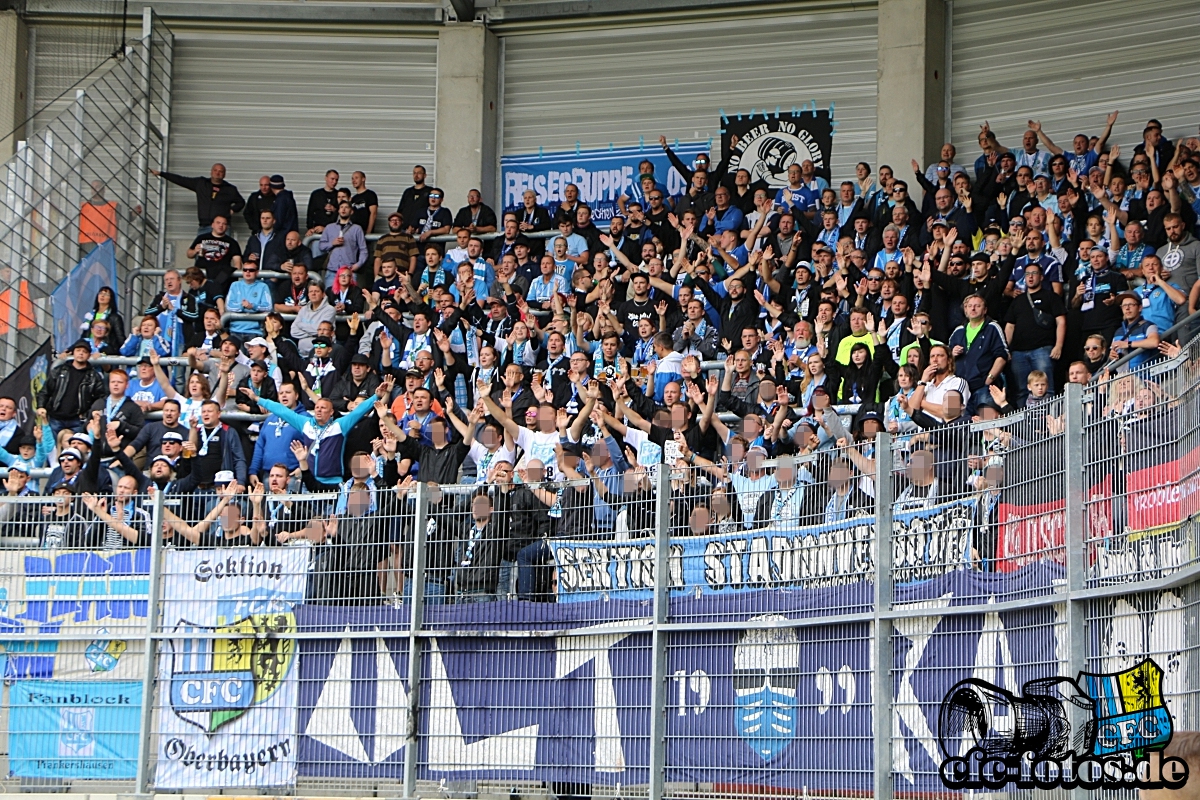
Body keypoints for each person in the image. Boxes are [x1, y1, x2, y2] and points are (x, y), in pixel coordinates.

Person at [245, 376, 392, 488]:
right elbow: (281, 410)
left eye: (323, 408)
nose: (318, 410)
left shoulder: (339, 425)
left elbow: (358, 411)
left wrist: (376, 396)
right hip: (309, 481)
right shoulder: (306, 424)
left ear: (331, 412)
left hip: (333, 482)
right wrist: (257, 399)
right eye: (317, 407)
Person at [1003, 263, 1067, 405]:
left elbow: (1061, 322)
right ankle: (1024, 424)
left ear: (1041, 277)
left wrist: (1058, 346)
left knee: (1045, 388)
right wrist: (1006, 349)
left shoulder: (1051, 296)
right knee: (1022, 390)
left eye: (1034, 273)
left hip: (1043, 349)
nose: (1030, 277)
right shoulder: (1017, 300)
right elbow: (1010, 326)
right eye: (1027, 274)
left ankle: (1049, 422)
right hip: (1018, 352)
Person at [37, 341, 107, 436]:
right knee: (52, 448)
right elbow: (45, 391)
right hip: (55, 417)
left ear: (89, 355)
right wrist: (41, 406)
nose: (81, 353)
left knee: (76, 448)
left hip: (78, 420)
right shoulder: (58, 371)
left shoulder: (94, 376)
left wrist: (88, 415)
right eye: (78, 350)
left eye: (84, 351)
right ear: (73, 352)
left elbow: (100, 398)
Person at [150, 163, 244, 232]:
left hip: (222, 228)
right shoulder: (201, 184)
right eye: (215, 170)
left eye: (220, 171)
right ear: (211, 172)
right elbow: (181, 180)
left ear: (224, 174)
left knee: (222, 256)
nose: (217, 173)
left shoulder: (230, 189)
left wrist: (232, 210)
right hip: (204, 226)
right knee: (200, 255)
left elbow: (241, 202)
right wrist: (161, 174)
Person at [187, 215, 242, 295]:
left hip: (221, 280)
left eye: (224, 224)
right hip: (201, 277)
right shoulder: (201, 238)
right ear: (212, 225)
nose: (221, 225)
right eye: (218, 223)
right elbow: (189, 254)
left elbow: (238, 263)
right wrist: (195, 251)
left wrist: (231, 275)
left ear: (226, 227)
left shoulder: (232, 242)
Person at [319, 200, 368, 287]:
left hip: (349, 272)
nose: (343, 209)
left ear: (351, 211)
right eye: (341, 207)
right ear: (338, 210)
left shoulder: (357, 229)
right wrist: (332, 243)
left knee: (350, 298)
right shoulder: (329, 227)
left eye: (346, 207)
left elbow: (363, 250)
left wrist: (358, 265)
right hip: (332, 272)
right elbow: (321, 246)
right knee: (330, 298)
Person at [224, 263, 274, 337]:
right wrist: (242, 306)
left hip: (255, 331)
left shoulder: (263, 286)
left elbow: (268, 307)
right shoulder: (234, 285)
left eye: (251, 270)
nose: (247, 272)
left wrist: (252, 306)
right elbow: (228, 306)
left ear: (257, 272)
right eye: (245, 270)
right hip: (235, 330)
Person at [397, 165, 433, 232]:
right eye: (414, 173)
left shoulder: (430, 192)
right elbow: (400, 210)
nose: (416, 175)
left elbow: (432, 211)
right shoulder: (407, 192)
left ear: (425, 175)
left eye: (419, 173)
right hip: (404, 229)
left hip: (421, 231)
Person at [305, 169, 340, 238]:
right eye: (332, 179)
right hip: (317, 232)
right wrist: (310, 228)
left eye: (336, 180)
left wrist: (335, 210)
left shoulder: (339, 195)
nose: (334, 182)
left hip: (333, 233)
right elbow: (310, 212)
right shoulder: (316, 194)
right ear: (326, 178)